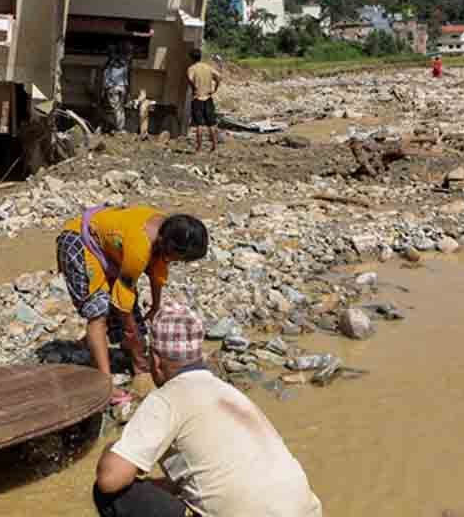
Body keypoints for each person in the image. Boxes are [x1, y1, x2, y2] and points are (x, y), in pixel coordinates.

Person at [93, 305, 324, 517]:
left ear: (155, 359)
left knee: (112, 495)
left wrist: (111, 449)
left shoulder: (167, 399)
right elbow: (222, 473)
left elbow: (109, 479)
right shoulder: (228, 393)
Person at [57, 207, 208, 404]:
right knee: (98, 311)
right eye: (179, 259)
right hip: (80, 240)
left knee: (131, 316)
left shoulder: (168, 230)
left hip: (108, 248)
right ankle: (105, 384)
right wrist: (133, 339)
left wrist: (155, 306)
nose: (177, 262)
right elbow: (123, 300)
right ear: (167, 245)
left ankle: (94, 343)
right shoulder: (140, 246)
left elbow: (158, 271)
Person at [186, 50, 221, 152]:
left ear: (191, 58)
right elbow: (219, 77)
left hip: (197, 98)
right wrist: (215, 89)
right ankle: (214, 146)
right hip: (208, 97)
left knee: (199, 125)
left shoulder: (191, 68)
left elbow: (189, 78)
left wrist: (193, 87)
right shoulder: (208, 67)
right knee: (212, 124)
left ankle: (199, 148)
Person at [103, 41, 131, 134]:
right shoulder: (124, 64)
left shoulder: (109, 64)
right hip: (122, 88)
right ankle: (121, 128)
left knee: (115, 109)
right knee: (120, 108)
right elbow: (126, 78)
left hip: (113, 88)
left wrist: (105, 89)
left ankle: (118, 129)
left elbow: (106, 78)